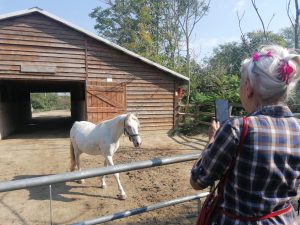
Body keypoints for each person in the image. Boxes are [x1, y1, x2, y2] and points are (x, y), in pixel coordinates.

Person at [190, 45, 300, 224]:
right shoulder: (298, 129)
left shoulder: (237, 127)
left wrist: (211, 141)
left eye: (242, 83)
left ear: (248, 87)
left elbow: (197, 181)